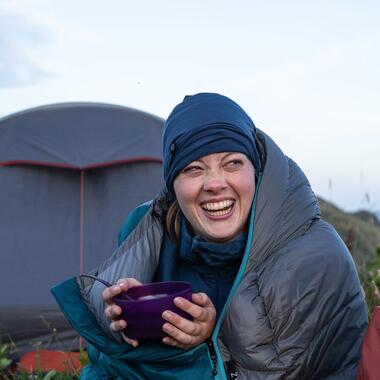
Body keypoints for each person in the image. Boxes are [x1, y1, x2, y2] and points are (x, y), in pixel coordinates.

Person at [52, 93, 368, 379]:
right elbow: (105, 370)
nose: (215, 183)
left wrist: (206, 343)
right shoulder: (148, 237)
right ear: (173, 185)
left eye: (233, 163)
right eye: (193, 169)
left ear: (256, 172)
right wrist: (121, 325)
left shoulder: (317, 257)